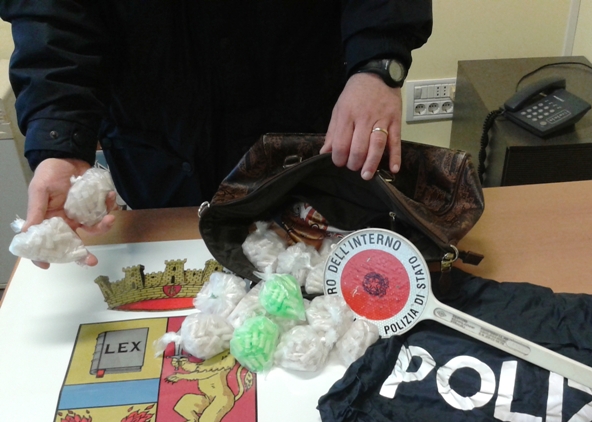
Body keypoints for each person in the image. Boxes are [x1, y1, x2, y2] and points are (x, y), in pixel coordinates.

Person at [0, 1, 432, 267]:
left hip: (303, 127)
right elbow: (52, 14)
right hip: (160, 142)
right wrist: (59, 140)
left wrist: (378, 63)